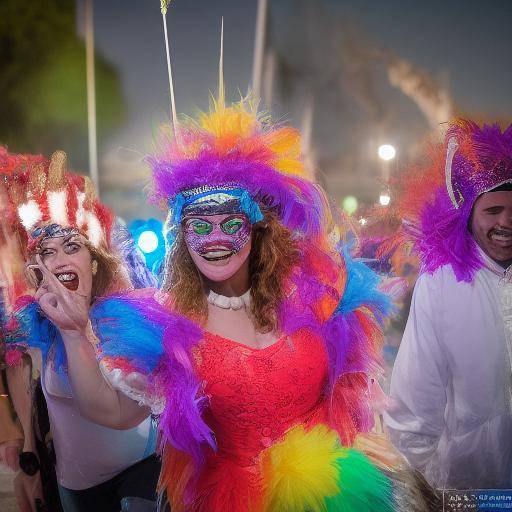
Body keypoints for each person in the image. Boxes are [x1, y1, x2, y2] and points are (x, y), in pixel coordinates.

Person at [0, 147, 160, 512]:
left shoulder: (126, 322)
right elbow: (24, 378)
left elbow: (122, 415)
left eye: (72, 247)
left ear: (94, 259)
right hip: (75, 487)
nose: (59, 261)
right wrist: (29, 453)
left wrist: (78, 330)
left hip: (140, 475)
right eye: (46, 252)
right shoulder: (37, 325)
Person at [384, 119, 512, 490]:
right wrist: (422, 486)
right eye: (493, 210)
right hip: (469, 489)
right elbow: (415, 403)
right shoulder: (441, 285)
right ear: (469, 214)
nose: (507, 222)